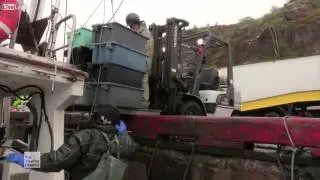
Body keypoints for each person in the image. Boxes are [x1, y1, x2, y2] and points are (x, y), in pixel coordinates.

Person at [5, 105, 138, 180]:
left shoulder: (85, 137)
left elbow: (55, 161)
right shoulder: (119, 139)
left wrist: (25, 159)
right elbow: (131, 149)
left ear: (100, 118)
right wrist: (124, 133)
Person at [126, 13, 154, 108]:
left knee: (143, 79)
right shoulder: (138, 32)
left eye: (132, 26)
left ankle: (144, 103)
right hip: (138, 59)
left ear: (136, 24)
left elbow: (146, 48)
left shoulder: (145, 33)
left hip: (144, 60)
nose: (131, 28)